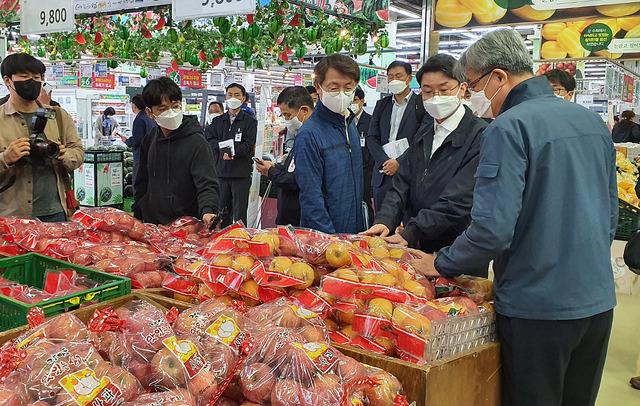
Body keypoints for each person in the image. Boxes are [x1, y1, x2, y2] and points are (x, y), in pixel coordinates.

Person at [406, 29, 617, 406]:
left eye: (470, 85)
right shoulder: (590, 122)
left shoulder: (508, 127)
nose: (471, 96)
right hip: (597, 300)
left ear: (498, 77)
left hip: (537, 307)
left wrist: (441, 262)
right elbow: (610, 211)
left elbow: (492, 229)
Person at [362, 54, 488, 262]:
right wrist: (385, 220)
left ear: (462, 89)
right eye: (428, 91)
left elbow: (457, 201)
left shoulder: (479, 135)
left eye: (444, 90)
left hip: (456, 249)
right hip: (418, 246)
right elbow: (402, 183)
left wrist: (411, 232)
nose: (436, 97)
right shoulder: (425, 132)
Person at [0, 53, 84, 221]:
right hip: (12, 215)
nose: (32, 82)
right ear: (8, 80)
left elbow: (79, 153)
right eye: (24, 77)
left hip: (56, 212)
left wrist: (63, 154)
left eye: (37, 77)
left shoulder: (58, 116)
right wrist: (6, 159)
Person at [133, 77, 220, 226]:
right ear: (149, 112)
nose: (171, 113)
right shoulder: (150, 139)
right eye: (162, 109)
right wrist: (140, 210)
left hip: (187, 228)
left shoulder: (196, 142)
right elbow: (141, 180)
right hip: (154, 226)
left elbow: (207, 184)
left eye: (175, 106)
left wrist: (208, 210)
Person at [293, 54, 364, 234]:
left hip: (354, 228)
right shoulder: (309, 135)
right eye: (334, 88)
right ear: (318, 87)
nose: (341, 94)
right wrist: (330, 240)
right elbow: (311, 197)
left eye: (348, 88)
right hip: (326, 236)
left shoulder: (350, 124)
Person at [367, 61, 426, 212]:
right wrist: (385, 161)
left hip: (409, 174)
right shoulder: (382, 105)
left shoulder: (421, 105)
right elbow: (372, 137)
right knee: (381, 223)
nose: (394, 80)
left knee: (407, 224)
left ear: (408, 78)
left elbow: (421, 139)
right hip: (383, 175)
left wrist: (399, 162)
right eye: (390, 77)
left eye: (398, 76)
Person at [255, 86, 314, 226]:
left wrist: (271, 173)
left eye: (288, 115)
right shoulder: (301, 134)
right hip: (290, 215)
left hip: (301, 217)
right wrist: (275, 167)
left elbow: (299, 179)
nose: (287, 120)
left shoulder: (311, 137)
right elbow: (294, 169)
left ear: (304, 110)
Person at [206, 83, 257, 227]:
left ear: (243, 99)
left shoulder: (250, 122)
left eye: (237, 95)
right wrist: (223, 151)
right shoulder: (217, 122)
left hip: (240, 174)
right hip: (221, 173)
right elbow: (210, 140)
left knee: (240, 214)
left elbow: (248, 144)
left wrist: (233, 152)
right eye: (230, 94)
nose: (232, 98)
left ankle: (240, 240)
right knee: (222, 213)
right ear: (226, 97)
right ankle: (222, 241)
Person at [120, 95, 156, 188]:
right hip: (151, 154)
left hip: (141, 155)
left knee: (138, 182)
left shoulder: (139, 119)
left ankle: (140, 201)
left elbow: (137, 140)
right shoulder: (149, 117)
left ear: (134, 106)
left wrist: (127, 141)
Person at [351, 87, 374, 227]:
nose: (351, 104)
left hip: (365, 172)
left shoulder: (370, 121)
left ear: (362, 101)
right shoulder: (343, 122)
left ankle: (369, 228)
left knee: (365, 202)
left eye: (354, 100)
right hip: (347, 172)